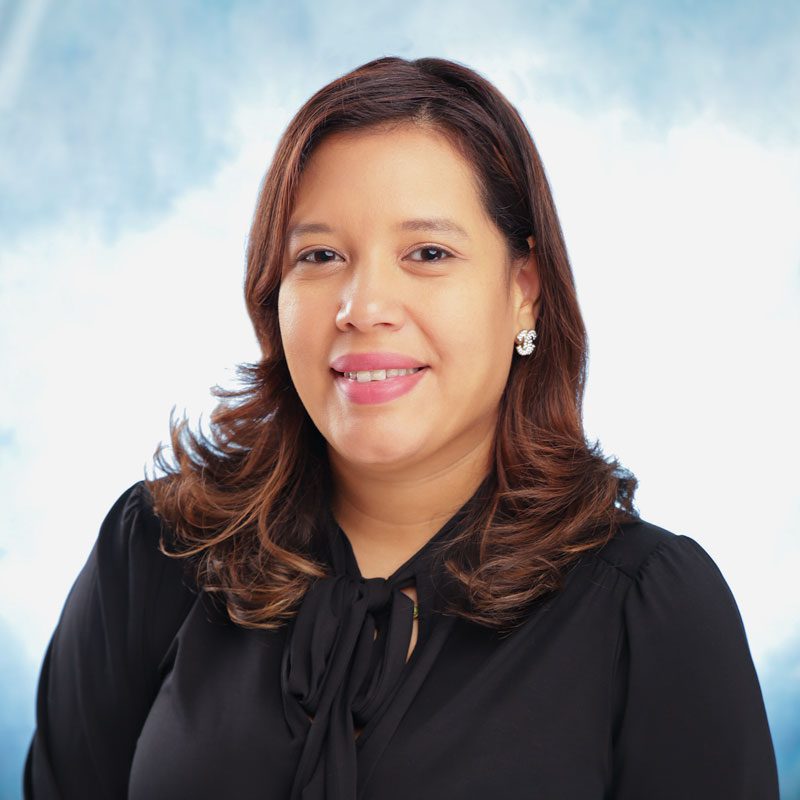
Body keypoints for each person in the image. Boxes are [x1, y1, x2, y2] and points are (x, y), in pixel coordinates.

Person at [23, 56, 779, 800]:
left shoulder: (648, 610)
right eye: (319, 255)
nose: (363, 303)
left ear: (524, 291)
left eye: (427, 253)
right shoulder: (155, 551)